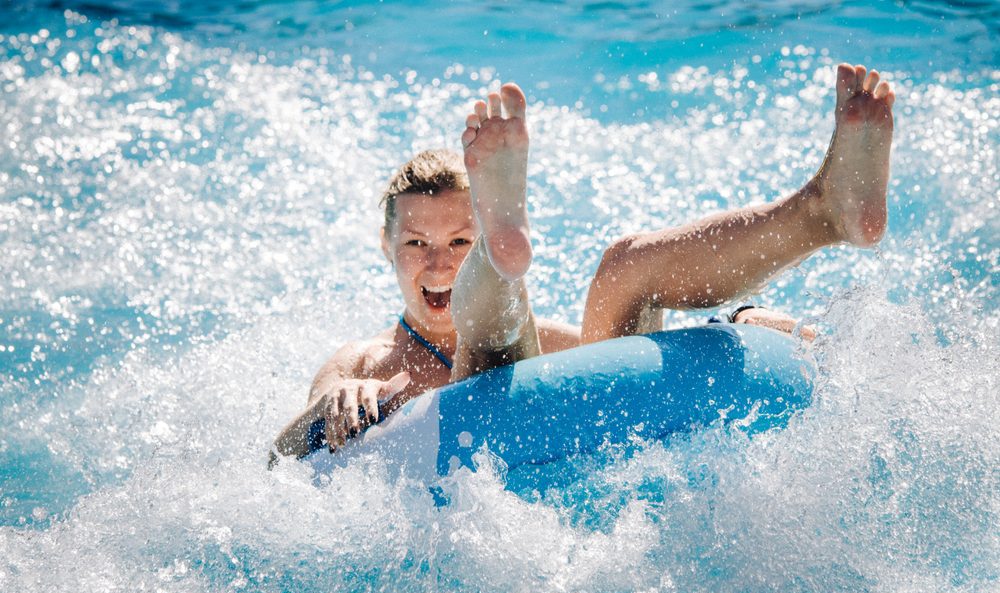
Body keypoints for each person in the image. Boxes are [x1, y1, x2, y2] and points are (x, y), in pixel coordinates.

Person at [269, 63, 894, 464]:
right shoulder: (363, 362)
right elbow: (284, 453)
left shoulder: (551, 338)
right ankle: (499, 250)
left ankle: (821, 211)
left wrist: (749, 321)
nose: (437, 263)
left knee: (620, 269)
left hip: (575, 462)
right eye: (416, 244)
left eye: (459, 242)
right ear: (386, 247)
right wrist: (334, 401)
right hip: (464, 473)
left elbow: (645, 349)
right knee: (493, 340)